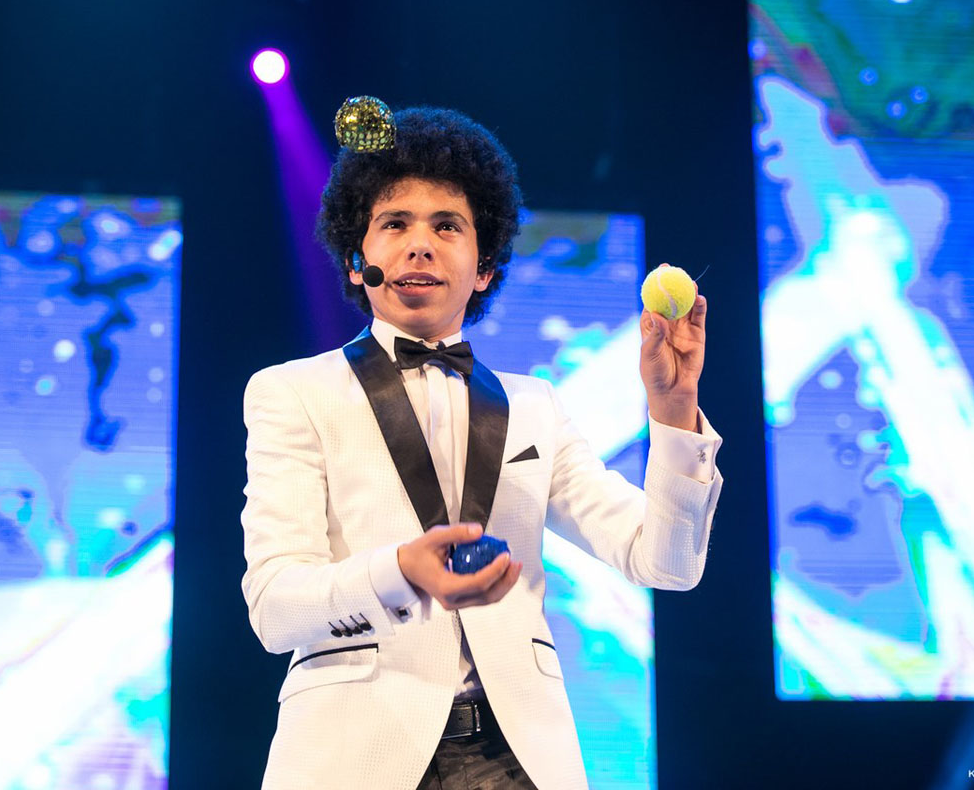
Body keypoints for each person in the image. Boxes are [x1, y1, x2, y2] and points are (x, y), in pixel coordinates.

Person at [240, 102, 723, 790]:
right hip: (355, 753)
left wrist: (673, 411)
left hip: (516, 758)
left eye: (447, 226)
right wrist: (401, 570)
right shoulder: (292, 392)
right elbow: (275, 607)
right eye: (394, 224)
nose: (419, 245)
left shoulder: (535, 406)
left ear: (485, 266)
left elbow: (667, 563)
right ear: (355, 261)